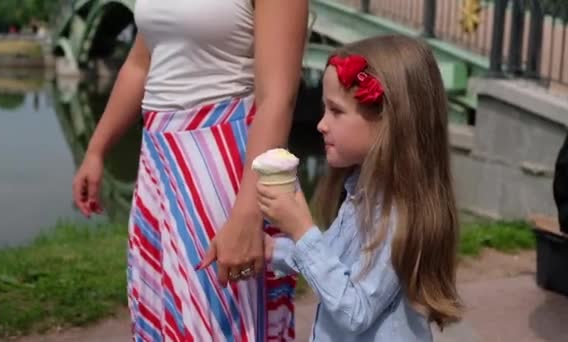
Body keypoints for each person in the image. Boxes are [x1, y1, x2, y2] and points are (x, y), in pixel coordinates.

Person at [71, 0, 308, 340]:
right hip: (158, 158)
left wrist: (248, 213)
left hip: (224, 160)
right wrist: (96, 150)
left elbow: (277, 97)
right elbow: (141, 63)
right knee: (163, 313)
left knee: (218, 318)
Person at [255, 35, 463, 341]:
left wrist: (302, 230)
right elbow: (337, 262)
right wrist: (275, 250)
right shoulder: (361, 191)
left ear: (389, 120)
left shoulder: (395, 212)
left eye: (336, 111)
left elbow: (354, 311)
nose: (321, 124)